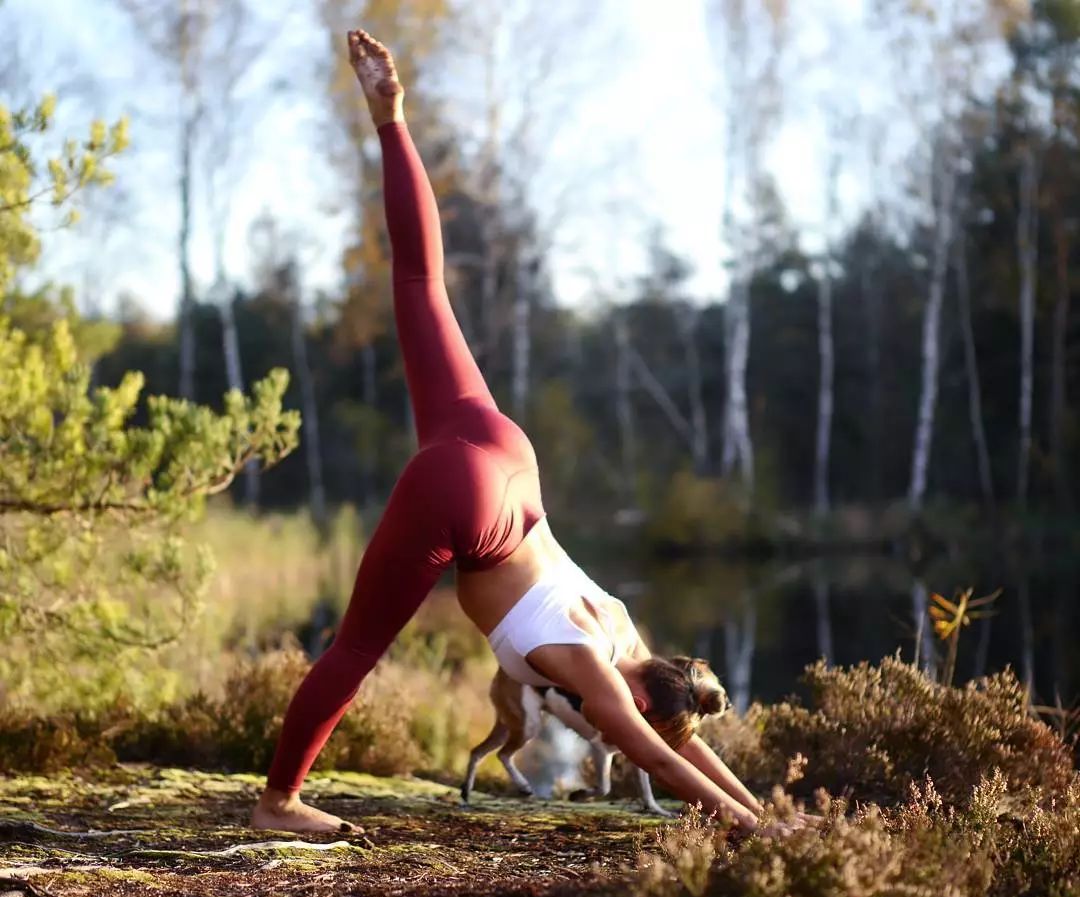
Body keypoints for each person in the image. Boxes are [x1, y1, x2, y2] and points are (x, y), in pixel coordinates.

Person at [251, 29, 810, 839]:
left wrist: (771, 817)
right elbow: (662, 759)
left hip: (507, 455)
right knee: (353, 649)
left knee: (420, 286)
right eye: (646, 719)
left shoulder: (628, 633)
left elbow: (681, 739)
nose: (632, 728)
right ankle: (276, 805)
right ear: (647, 700)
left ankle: (390, 118)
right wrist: (759, 831)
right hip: (473, 503)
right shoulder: (601, 675)